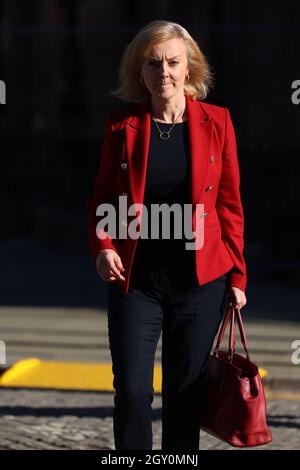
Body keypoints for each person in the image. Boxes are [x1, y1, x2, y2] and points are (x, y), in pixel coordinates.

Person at [86, 20, 247, 451]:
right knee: (134, 392)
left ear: (189, 68)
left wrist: (236, 277)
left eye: (173, 62)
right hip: (134, 280)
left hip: (200, 283)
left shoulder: (218, 122)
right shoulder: (122, 127)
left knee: (185, 396)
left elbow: (230, 206)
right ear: (140, 73)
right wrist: (103, 247)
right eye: (153, 64)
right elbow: (103, 198)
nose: (164, 73)